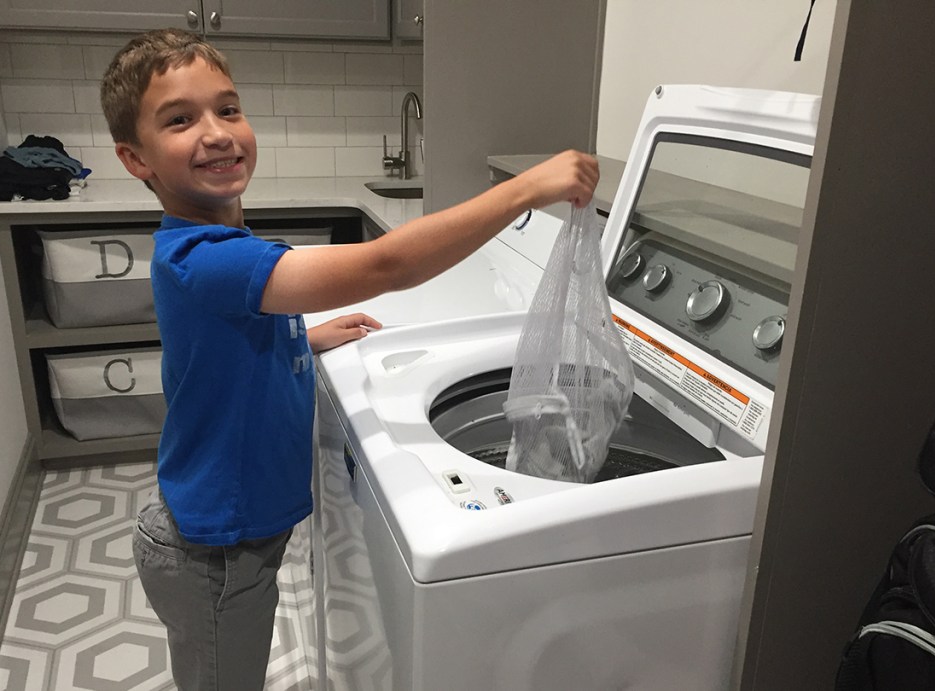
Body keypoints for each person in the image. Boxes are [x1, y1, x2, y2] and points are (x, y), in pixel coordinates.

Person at [100, 28, 599, 690]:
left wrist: (301, 338)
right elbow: (387, 262)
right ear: (137, 160)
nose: (217, 132)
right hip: (212, 552)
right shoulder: (208, 258)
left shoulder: (213, 243)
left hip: (225, 533)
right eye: (180, 119)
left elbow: (218, 359)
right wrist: (523, 190)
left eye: (228, 108)